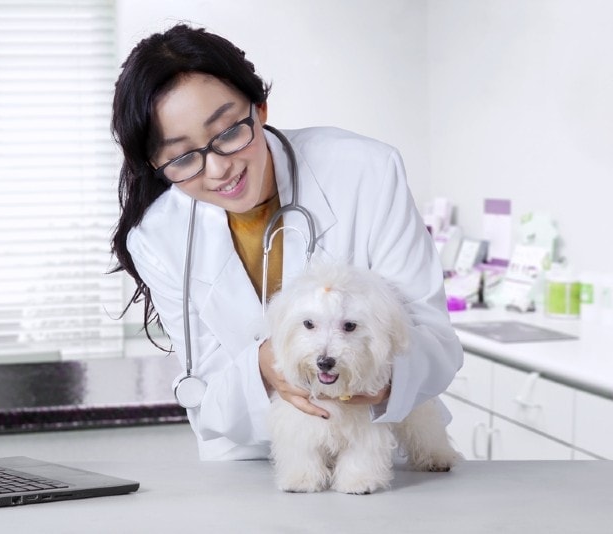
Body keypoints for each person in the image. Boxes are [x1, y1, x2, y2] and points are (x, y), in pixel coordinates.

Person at [110, 24, 463, 460]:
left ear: (259, 108)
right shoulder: (158, 239)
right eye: (183, 157)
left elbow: (437, 346)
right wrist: (261, 367)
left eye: (227, 133)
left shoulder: (365, 171)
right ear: (156, 163)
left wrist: (382, 377)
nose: (219, 169)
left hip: (380, 447)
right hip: (252, 464)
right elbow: (206, 398)